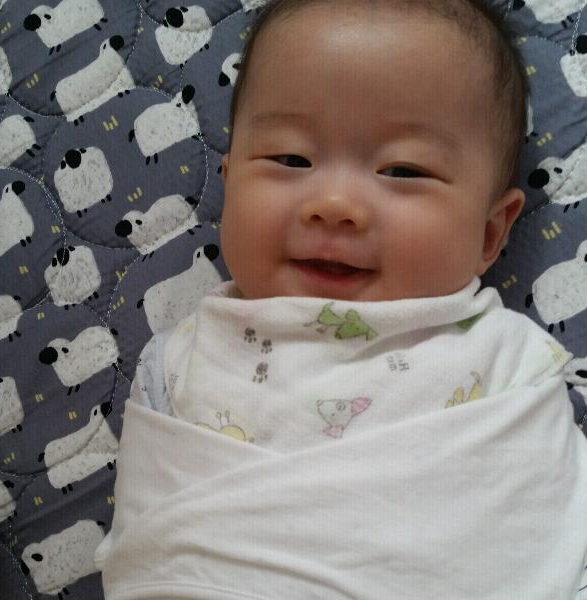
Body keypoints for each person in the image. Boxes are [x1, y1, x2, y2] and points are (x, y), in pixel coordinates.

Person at [95, 1, 587, 598]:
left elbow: (557, 536)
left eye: (403, 170)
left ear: (489, 233)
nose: (333, 204)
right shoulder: (179, 363)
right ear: (227, 183)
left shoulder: (511, 367)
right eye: (290, 159)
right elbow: (148, 548)